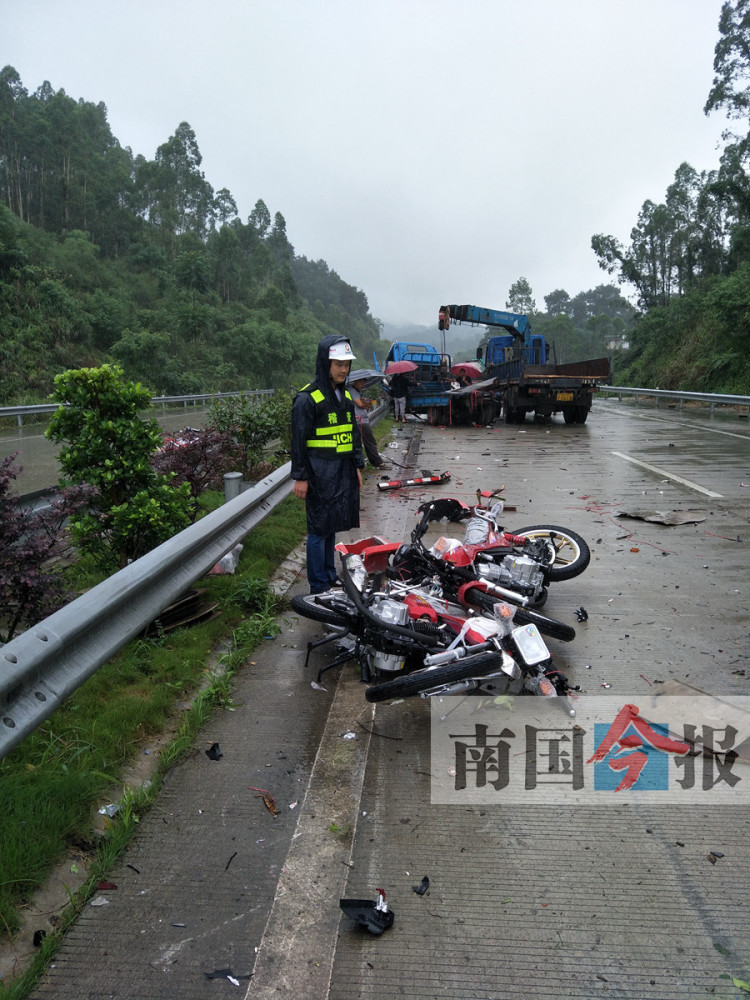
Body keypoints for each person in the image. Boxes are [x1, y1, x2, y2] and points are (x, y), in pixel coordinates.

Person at [291, 335, 365, 594]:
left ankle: (329, 575)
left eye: (346, 364)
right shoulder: (307, 399)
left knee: (332, 524)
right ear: (325, 363)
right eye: (338, 364)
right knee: (318, 529)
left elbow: (353, 433)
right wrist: (300, 477)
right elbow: (298, 440)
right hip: (318, 472)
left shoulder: (343, 396)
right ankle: (318, 585)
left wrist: (357, 465)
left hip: (341, 471)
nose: (344, 369)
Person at [349, 377, 390, 470]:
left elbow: (367, 405)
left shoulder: (357, 391)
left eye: (364, 383)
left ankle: (362, 463)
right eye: (361, 383)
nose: (363, 385)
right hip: (360, 421)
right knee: (370, 442)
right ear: (356, 381)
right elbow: (361, 404)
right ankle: (378, 463)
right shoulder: (352, 391)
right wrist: (365, 403)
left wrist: (366, 403)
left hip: (363, 419)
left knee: (364, 442)